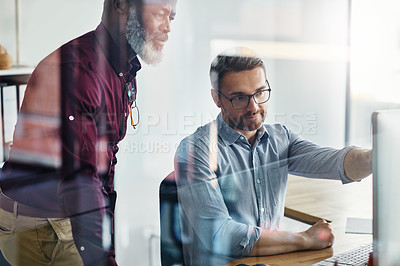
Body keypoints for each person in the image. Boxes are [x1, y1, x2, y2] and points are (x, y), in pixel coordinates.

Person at [0, 0, 177, 265]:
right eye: (160, 14)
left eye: (171, 18)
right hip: (40, 224)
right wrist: (103, 256)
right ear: (120, 5)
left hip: (66, 212)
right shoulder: (77, 71)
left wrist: (106, 238)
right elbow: (81, 180)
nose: (167, 28)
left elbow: (105, 161)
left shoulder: (124, 68)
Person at [174, 47, 372, 266]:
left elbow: (335, 163)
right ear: (216, 98)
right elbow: (220, 235)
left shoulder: (280, 138)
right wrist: (304, 239)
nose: (254, 106)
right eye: (240, 97)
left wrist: (377, 157)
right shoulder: (195, 150)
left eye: (260, 92)